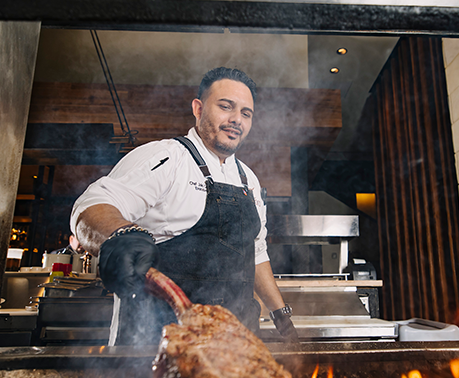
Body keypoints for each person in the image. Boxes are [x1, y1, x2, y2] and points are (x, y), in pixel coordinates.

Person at [71, 67, 298, 345]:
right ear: (198, 109)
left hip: (234, 346)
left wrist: (282, 316)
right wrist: (119, 236)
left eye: (246, 113)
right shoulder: (167, 157)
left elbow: (257, 252)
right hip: (156, 343)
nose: (236, 119)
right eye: (226, 107)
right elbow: (94, 203)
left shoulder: (247, 178)